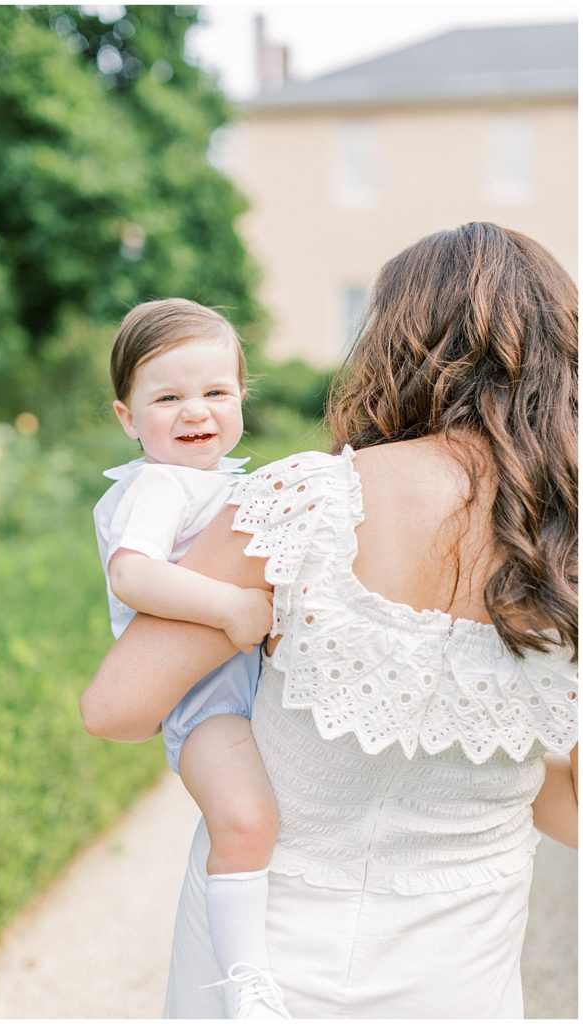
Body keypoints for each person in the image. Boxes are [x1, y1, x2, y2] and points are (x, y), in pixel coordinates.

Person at [81, 223, 578, 1019]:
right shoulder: (566, 538)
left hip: (263, 958)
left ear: (396, 341)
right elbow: (571, 809)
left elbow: (115, 708)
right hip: (459, 969)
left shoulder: (305, 501)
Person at [91, 298, 289, 1019]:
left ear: (241, 398)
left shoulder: (228, 482)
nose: (194, 411)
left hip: (247, 694)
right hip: (203, 705)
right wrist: (231, 609)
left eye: (215, 393)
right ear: (126, 417)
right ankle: (245, 982)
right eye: (167, 397)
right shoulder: (158, 484)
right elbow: (132, 574)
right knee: (245, 820)